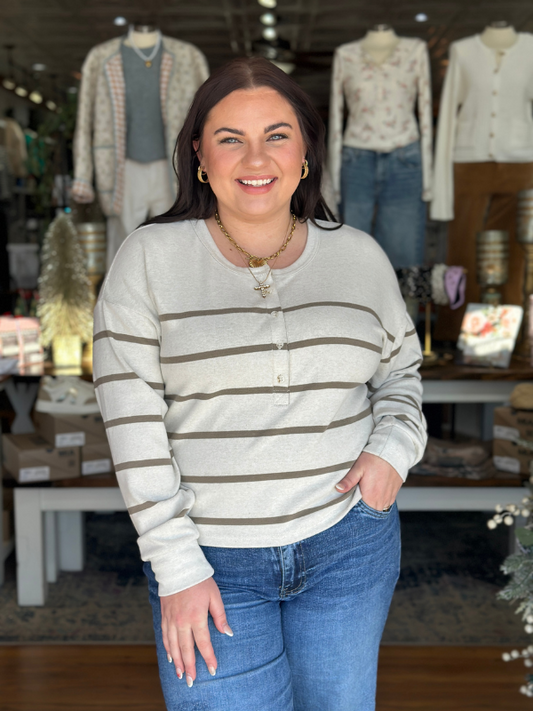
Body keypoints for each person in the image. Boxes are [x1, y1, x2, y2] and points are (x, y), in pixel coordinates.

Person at [92, 56, 427, 711]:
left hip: (348, 545)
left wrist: (392, 447)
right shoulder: (148, 261)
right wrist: (178, 568)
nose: (256, 156)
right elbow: (133, 427)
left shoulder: (358, 257)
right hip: (209, 558)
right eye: (229, 138)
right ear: (198, 154)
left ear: (305, 149)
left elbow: (400, 374)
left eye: (276, 134)